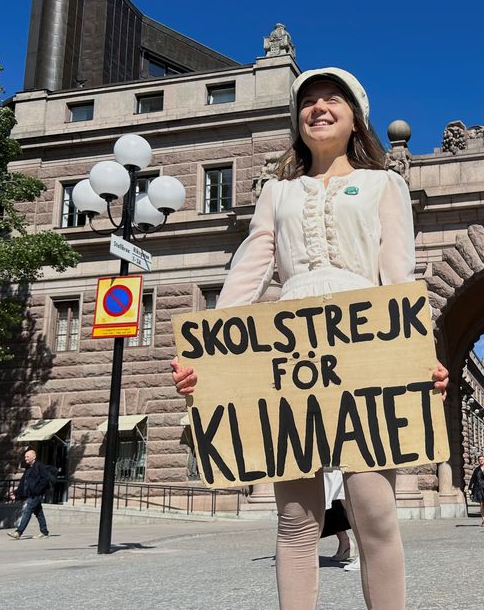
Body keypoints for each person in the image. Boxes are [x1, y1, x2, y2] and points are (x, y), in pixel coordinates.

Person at [171, 67, 449, 610]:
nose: (319, 108)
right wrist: (204, 349)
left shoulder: (383, 184)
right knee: (296, 522)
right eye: (309, 102)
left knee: (375, 513)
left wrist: (422, 353)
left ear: (355, 118)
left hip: (367, 344)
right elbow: (249, 271)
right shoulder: (277, 192)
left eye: (332, 100)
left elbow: (400, 276)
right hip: (287, 348)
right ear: (297, 121)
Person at [7, 449, 52, 539]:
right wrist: (16, 493)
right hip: (31, 494)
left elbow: (46, 479)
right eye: (25, 456)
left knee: (28, 510)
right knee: (39, 513)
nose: (25, 458)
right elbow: (23, 481)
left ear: (33, 457)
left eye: (27, 456)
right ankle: (44, 532)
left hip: (36, 494)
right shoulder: (28, 468)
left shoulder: (39, 466)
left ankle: (18, 532)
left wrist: (38, 490)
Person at [468, 454, 484, 526]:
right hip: (478, 489)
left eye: (482, 459)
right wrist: (470, 488)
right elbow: (472, 479)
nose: (481, 461)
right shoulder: (476, 470)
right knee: (482, 505)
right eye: (480, 460)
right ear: (478, 461)